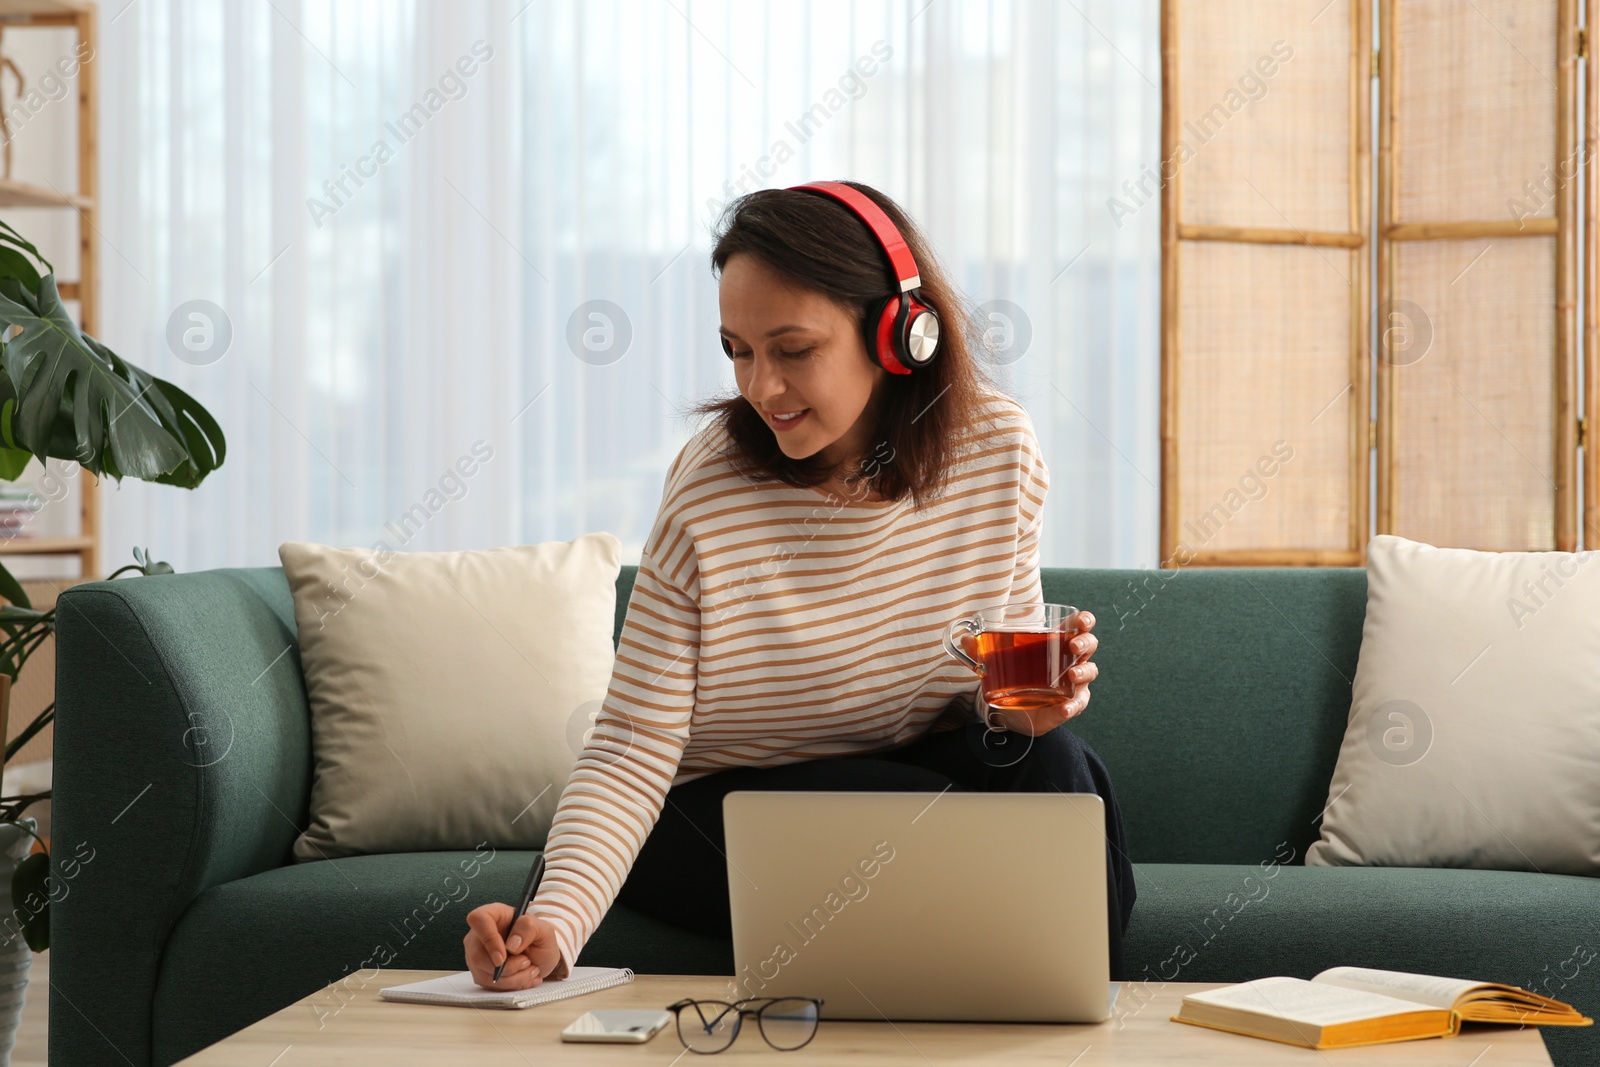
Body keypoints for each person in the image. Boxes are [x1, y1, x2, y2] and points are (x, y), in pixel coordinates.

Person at [463, 179, 1136, 992]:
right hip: (721, 818)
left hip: (911, 778)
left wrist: (1021, 711)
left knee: (1061, 767)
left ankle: (1078, 1012)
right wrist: (559, 921)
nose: (760, 387)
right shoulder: (710, 488)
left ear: (899, 335)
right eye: (738, 350)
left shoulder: (998, 451)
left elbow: (987, 697)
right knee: (994, 832)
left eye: (792, 349)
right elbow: (633, 746)